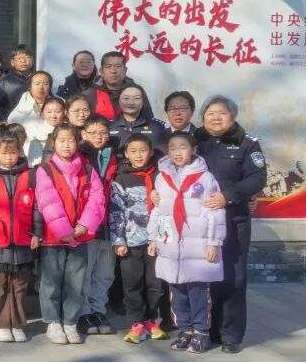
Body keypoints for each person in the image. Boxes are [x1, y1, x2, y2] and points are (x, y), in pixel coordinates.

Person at [193, 96, 266, 353]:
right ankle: (206, 330)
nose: (215, 117)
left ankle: (231, 335)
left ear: (232, 117)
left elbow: (257, 178)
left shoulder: (247, 143)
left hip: (233, 218)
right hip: (199, 222)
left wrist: (228, 196)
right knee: (203, 276)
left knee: (234, 277)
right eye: (210, 113)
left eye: (222, 113)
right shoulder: (194, 141)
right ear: (202, 116)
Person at [148, 132, 226, 354]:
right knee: (177, 292)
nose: (178, 152)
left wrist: (213, 242)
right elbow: (160, 211)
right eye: (173, 148)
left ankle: (201, 332)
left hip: (197, 245)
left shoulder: (205, 177)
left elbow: (215, 212)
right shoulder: (162, 177)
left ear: (194, 150)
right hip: (172, 245)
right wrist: (154, 237)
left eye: (183, 147)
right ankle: (185, 330)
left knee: (198, 292)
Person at [35, 123, 106, 345]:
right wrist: (64, 231)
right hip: (53, 237)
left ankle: (70, 322)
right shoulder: (45, 169)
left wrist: (84, 225)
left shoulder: (88, 169)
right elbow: (47, 200)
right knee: (51, 281)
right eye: (62, 140)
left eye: (71, 140)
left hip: (80, 236)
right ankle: (53, 322)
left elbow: (97, 199)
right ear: (53, 143)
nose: (67, 145)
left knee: (76, 281)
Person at [0, 132, 42, 343]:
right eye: (4, 153)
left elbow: (37, 207)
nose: (8, 157)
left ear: (19, 152)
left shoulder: (30, 175)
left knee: (20, 285)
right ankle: (2, 324)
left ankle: (18, 324)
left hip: (23, 239)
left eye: (13, 153)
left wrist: (37, 233)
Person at [109, 134, 167, 345]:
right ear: (126, 154)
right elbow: (116, 211)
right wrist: (118, 240)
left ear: (150, 152)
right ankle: (136, 322)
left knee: (155, 283)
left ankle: (151, 320)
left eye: (143, 150)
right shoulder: (121, 179)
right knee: (132, 284)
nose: (139, 155)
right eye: (133, 151)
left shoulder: (159, 177)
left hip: (155, 241)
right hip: (131, 241)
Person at [77, 115, 119, 336]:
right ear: (83, 134)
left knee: (105, 271)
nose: (98, 137)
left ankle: (98, 310)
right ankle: (84, 312)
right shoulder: (78, 156)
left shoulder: (114, 155)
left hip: (110, 222)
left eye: (103, 133)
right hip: (88, 222)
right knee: (86, 270)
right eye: (93, 133)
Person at [85, 51, 152, 121]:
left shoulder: (137, 91)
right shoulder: (89, 94)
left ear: (125, 70)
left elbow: (149, 119)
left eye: (118, 66)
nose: (113, 71)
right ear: (101, 71)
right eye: (108, 66)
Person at [107, 85, 169, 154]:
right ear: (119, 101)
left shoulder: (156, 127)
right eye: (126, 98)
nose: (131, 102)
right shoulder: (109, 126)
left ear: (143, 102)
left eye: (136, 98)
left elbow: (161, 156)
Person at [0, 45, 36, 113]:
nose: (23, 61)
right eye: (19, 58)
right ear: (12, 62)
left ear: (33, 61)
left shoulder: (38, 79)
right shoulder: (5, 82)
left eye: (27, 57)